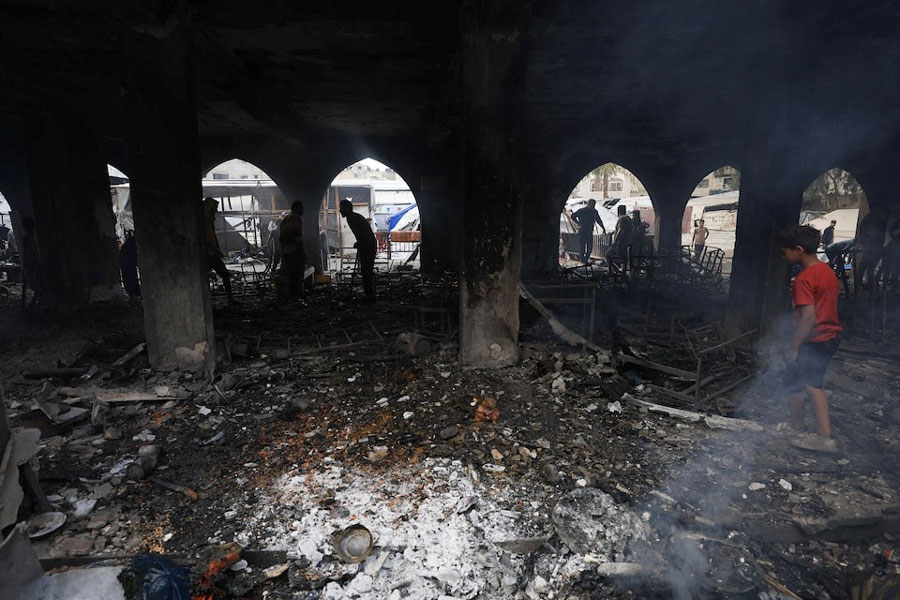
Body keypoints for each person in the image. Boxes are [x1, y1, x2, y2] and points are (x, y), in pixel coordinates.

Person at [774, 225, 842, 453]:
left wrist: (794, 346)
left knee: (813, 385)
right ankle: (797, 427)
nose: (783, 257)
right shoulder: (827, 271)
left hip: (816, 340)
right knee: (793, 381)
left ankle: (824, 437)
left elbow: (808, 315)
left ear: (798, 250)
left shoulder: (804, 279)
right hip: (828, 336)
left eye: (785, 253)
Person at [340, 200, 377, 301]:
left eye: (342, 208)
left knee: (366, 271)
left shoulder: (352, 218)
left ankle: (369, 295)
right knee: (366, 271)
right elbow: (361, 233)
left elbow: (361, 233)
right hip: (368, 245)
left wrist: (359, 243)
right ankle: (369, 294)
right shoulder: (352, 217)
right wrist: (359, 243)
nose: (340, 210)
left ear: (347, 209)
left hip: (368, 246)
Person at [202, 197, 236, 305]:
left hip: (210, 254)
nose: (216, 210)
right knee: (225, 275)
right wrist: (216, 251)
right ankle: (229, 299)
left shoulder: (208, 221)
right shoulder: (205, 222)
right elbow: (207, 241)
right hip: (210, 254)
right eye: (215, 208)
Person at [278, 202, 306, 302]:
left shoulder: (284, 221)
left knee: (289, 276)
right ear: (296, 209)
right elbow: (297, 237)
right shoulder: (296, 219)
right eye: (301, 208)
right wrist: (302, 252)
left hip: (286, 251)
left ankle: (289, 296)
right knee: (297, 275)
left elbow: (281, 239)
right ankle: (296, 296)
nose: (303, 211)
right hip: (295, 251)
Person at [571, 199, 605, 264]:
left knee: (585, 246)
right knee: (586, 246)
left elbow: (573, 216)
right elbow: (598, 220)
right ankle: (584, 260)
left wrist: (578, 223)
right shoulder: (589, 211)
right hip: (585, 231)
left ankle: (584, 260)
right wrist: (578, 223)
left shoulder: (588, 211)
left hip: (585, 231)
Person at [20, 216, 42, 308]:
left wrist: (26, 267)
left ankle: (34, 304)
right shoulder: (34, 237)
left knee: (36, 285)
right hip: (36, 263)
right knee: (38, 284)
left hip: (32, 263)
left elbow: (28, 254)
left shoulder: (27, 239)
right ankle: (35, 303)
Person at [119, 230, 140, 299]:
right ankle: (134, 293)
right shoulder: (130, 245)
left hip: (127, 259)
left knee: (129, 275)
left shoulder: (129, 244)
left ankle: (134, 293)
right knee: (129, 275)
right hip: (127, 259)